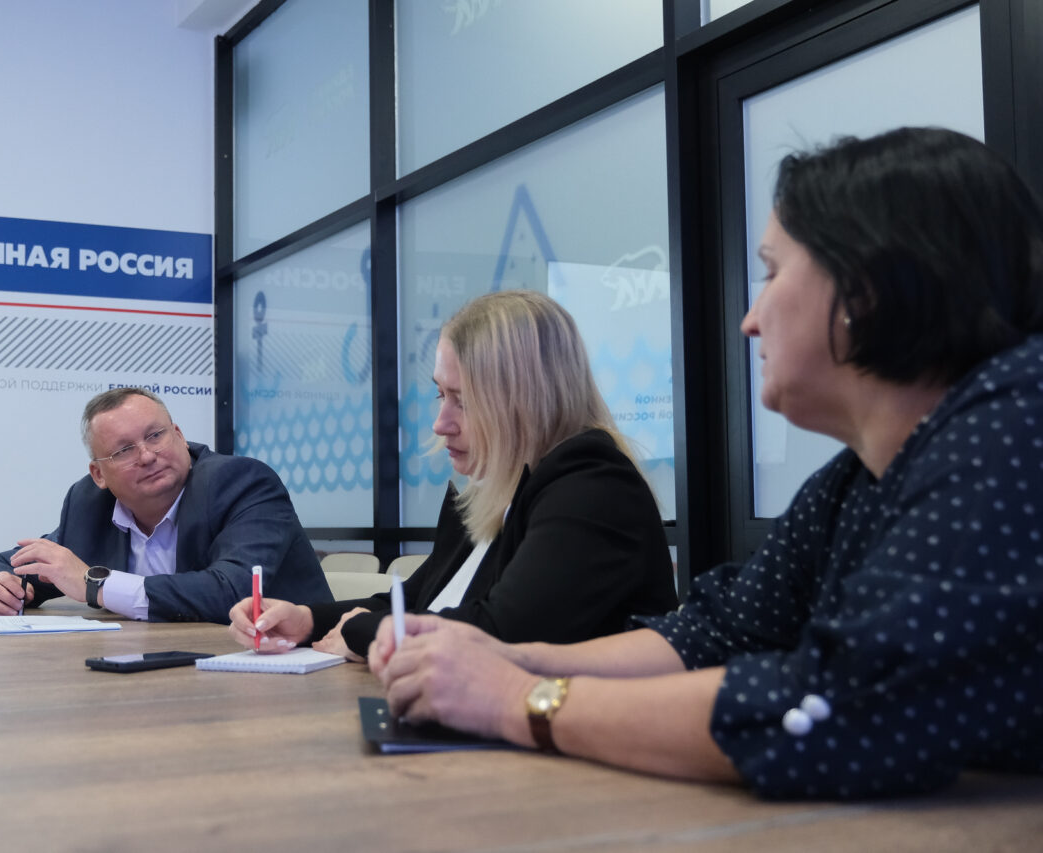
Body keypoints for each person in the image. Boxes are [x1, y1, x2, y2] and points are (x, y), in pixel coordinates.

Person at [369, 127, 1043, 799]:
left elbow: (833, 711)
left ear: (865, 291)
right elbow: (714, 632)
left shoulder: (1014, 433)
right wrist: (510, 658)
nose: (750, 319)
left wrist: (517, 698)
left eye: (771, 273)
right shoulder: (857, 480)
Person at [228, 289, 679, 660]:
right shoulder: (495, 490)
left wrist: (363, 632)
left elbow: (501, 632)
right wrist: (307, 620)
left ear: (526, 400)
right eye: (441, 395)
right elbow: (417, 601)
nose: (440, 424)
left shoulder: (592, 486)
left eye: (463, 401)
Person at [0, 387, 331, 621]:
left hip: (288, 668)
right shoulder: (89, 506)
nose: (148, 456)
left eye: (155, 435)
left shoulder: (241, 484)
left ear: (180, 436)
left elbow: (234, 592)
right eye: (124, 450)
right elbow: (4, 564)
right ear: (99, 474)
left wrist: (93, 584)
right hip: (161, 672)